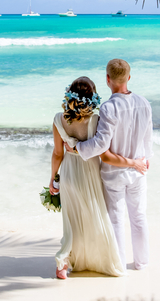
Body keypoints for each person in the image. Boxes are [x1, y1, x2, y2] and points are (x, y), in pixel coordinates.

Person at [49, 77, 147, 279]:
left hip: (68, 174)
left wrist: (53, 179)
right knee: (94, 218)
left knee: (72, 221)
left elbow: (58, 154)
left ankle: (63, 263)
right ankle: (98, 260)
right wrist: (134, 160)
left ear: (69, 95)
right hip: (90, 175)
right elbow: (103, 152)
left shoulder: (58, 119)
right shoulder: (95, 121)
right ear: (92, 97)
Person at [72, 59, 153, 270]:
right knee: (139, 217)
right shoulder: (144, 102)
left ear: (108, 80)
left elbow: (101, 144)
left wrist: (77, 148)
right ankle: (142, 263)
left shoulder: (109, 107)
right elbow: (148, 137)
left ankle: (119, 266)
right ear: (129, 77)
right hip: (138, 170)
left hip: (114, 174)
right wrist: (146, 159)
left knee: (116, 220)